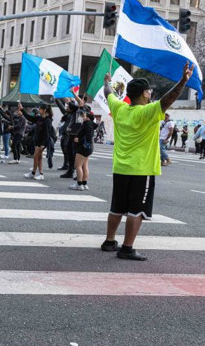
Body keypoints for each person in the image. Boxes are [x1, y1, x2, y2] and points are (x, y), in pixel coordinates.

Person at [101, 62, 194, 261]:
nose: (151, 93)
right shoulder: (148, 111)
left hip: (121, 168)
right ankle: (127, 248)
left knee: (116, 207)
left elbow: (108, 92)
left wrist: (106, 82)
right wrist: (183, 81)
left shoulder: (119, 108)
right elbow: (169, 99)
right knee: (137, 211)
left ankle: (109, 241)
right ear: (144, 93)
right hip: (141, 170)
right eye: (149, 91)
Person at [20, 102, 53, 180]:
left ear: (45, 110)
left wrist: (42, 144)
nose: (39, 110)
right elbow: (29, 117)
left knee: (35, 156)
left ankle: (33, 173)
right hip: (37, 140)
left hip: (43, 142)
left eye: (40, 109)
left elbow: (47, 133)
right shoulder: (39, 118)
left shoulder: (47, 120)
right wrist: (22, 109)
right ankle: (40, 174)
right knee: (39, 157)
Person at [70, 108, 96, 190]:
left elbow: (88, 137)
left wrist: (79, 139)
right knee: (84, 166)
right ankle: (84, 184)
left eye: (83, 115)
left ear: (87, 116)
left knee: (78, 166)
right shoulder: (90, 124)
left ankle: (79, 184)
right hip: (88, 148)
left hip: (83, 147)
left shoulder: (87, 124)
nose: (81, 116)